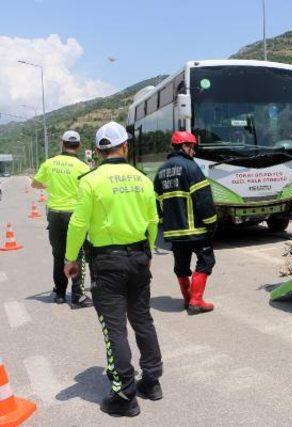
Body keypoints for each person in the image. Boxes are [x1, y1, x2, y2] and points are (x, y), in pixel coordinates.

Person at [63, 122, 162, 417]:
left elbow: (78, 224)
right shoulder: (142, 179)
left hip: (107, 262)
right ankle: (152, 381)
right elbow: (153, 221)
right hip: (139, 258)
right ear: (125, 147)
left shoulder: (90, 180)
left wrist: (70, 259)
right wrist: (148, 251)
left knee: (114, 327)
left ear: (98, 150)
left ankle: (123, 395)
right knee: (142, 318)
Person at [154, 131, 218, 314]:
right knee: (206, 260)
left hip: (174, 232)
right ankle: (196, 300)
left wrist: (164, 223)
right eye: (192, 147)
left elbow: (156, 203)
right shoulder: (191, 167)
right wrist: (211, 223)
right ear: (184, 146)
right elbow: (203, 199)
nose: (194, 152)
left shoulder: (161, 171)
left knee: (181, 266)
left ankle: (188, 298)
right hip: (195, 229)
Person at [32, 130, 92, 308]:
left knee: (58, 255)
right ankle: (77, 295)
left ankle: (59, 294)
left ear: (62, 144)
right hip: (74, 215)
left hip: (55, 215)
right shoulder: (82, 167)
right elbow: (88, 191)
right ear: (79, 146)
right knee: (76, 254)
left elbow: (35, 183)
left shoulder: (50, 163)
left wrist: (49, 185)